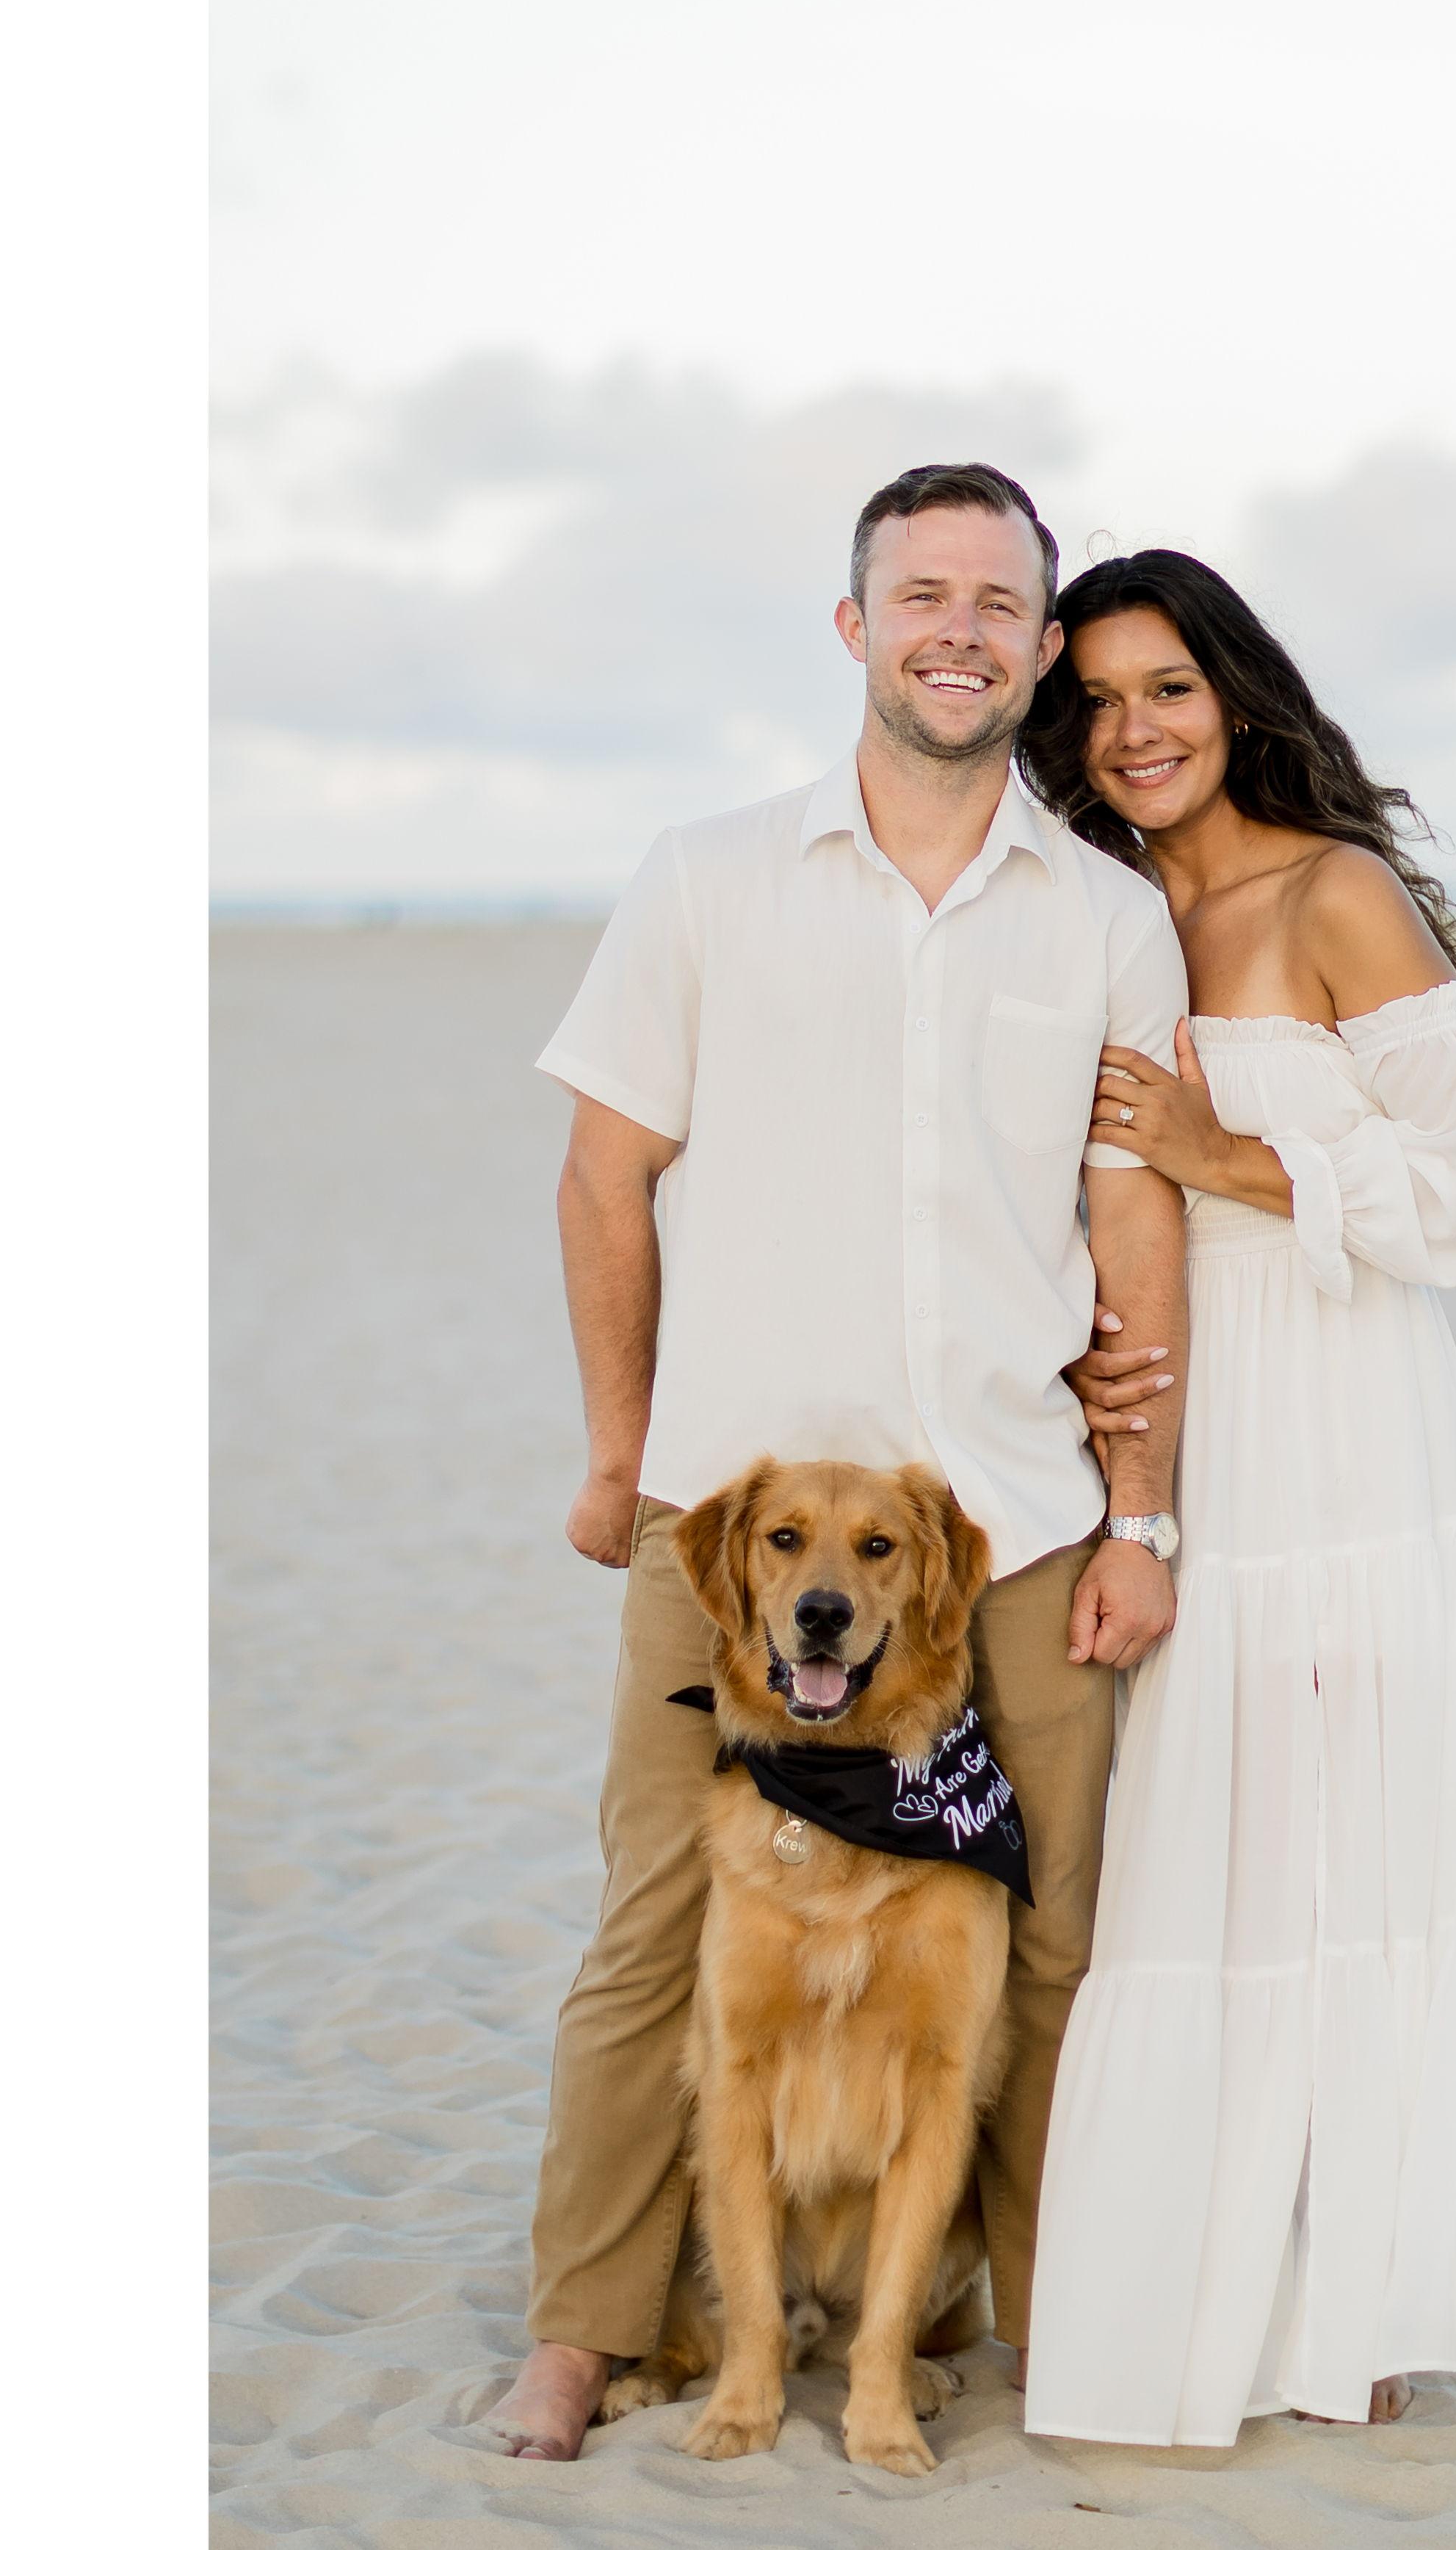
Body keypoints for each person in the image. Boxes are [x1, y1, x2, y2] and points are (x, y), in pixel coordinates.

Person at [487, 463, 1192, 2463]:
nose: (960, 629)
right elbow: (606, 1174)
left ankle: (1058, 2327)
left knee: (1047, 1942)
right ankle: (585, 2330)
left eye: (999, 601)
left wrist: (1143, 1514)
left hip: (1012, 1525)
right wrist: (621, 1456)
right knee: (654, 1924)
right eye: (923, 594)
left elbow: (1131, 1219)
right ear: (855, 628)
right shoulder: (707, 877)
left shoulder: (1107, 916)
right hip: (737, 1526)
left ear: (1039, 648)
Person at [1015, 549, 1456, 2446]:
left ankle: (1363, 2298)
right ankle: (1214, 2294)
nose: (1134, 731)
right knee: (1210, 1843)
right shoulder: (1099, 910)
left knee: (1361, 1836)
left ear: (1236, 694)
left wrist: (1226, 1149)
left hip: (1350, 1418)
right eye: (1097, 701)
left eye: (1168, 689)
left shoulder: (1332, 894)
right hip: (1172, 1421)